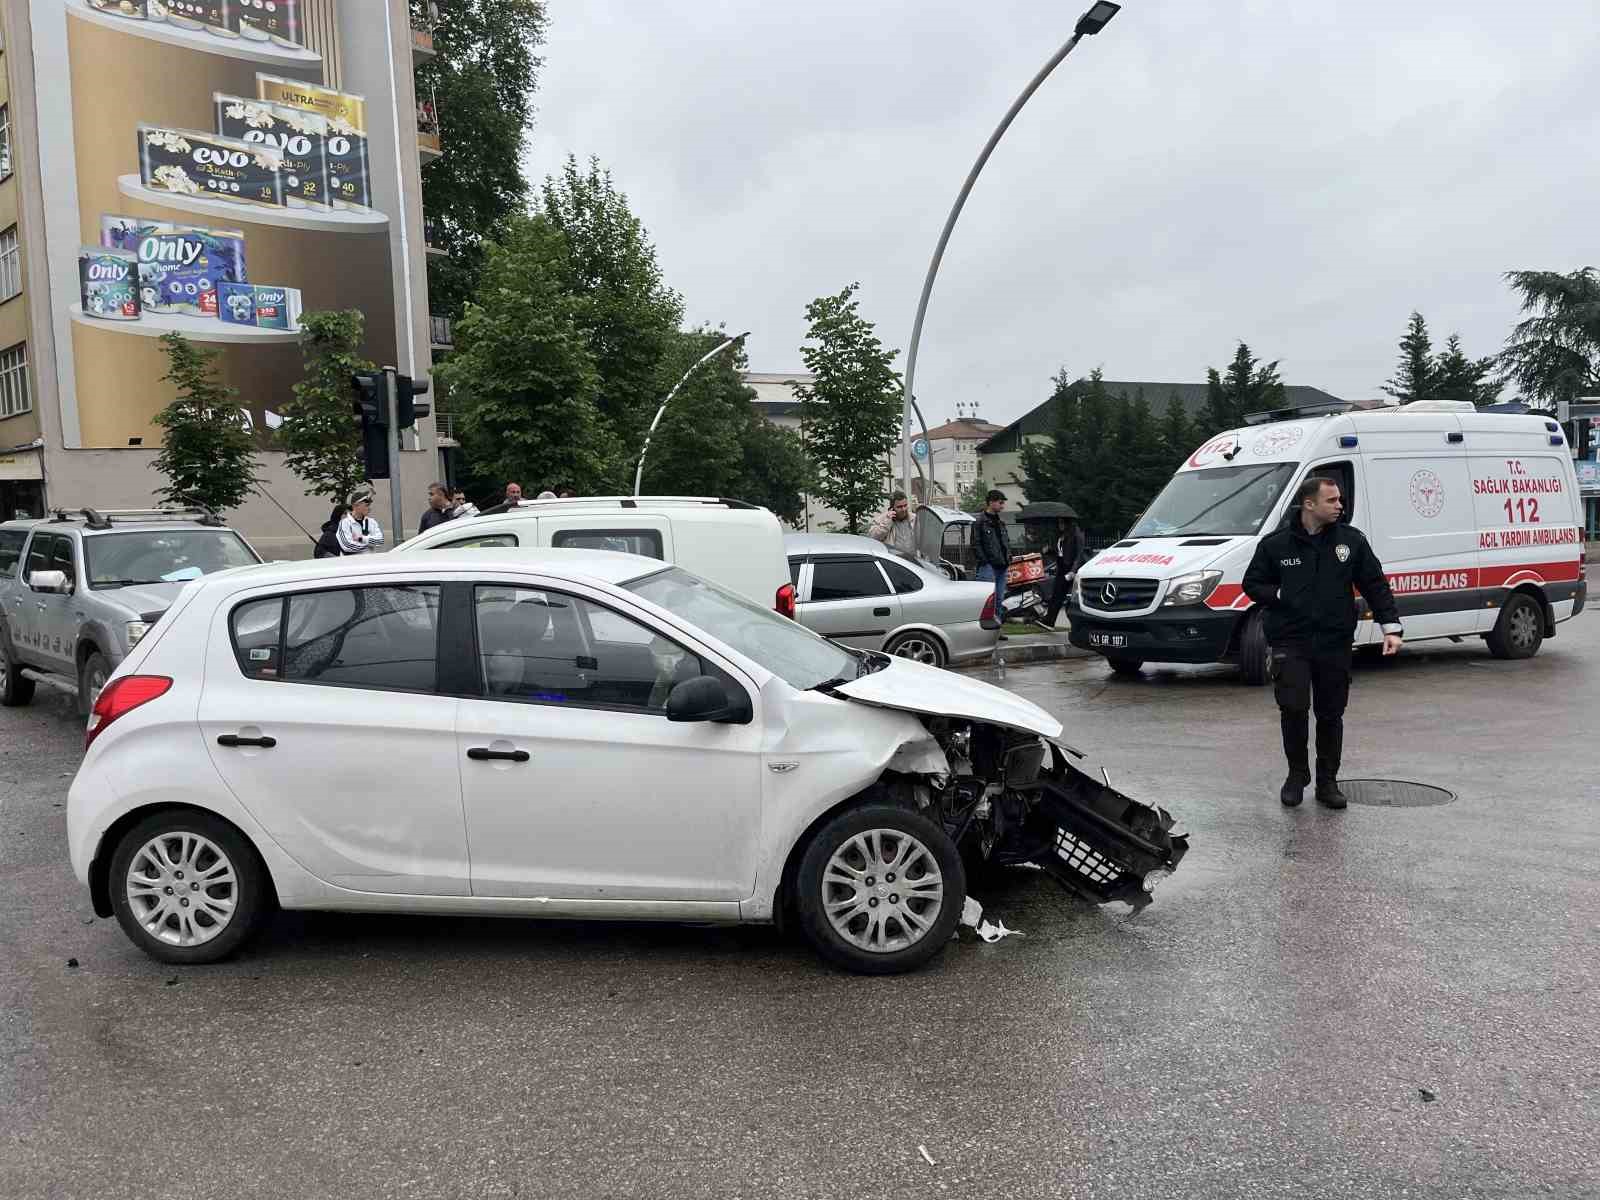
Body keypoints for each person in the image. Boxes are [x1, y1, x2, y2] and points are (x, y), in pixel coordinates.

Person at [1243, 475, 1402, 809]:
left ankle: (1328, 782)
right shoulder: (1275, 545)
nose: (1339, 505)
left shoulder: (1351, 541)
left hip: (1334, 642)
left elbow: (1375, 584)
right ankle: (1296, 775)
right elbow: (1252, 583)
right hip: (1291, 641)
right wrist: (1280, 594)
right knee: (1294, 708)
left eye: (1339, 499)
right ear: (1309, 504)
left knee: (1331, 714)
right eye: (1332, 500)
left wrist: (1390, 627)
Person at [1034, 514, 1089, 631]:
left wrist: (1073, 571)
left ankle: (1051, 621)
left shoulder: (1076, 534)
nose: (1060, 525)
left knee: (1065, 597)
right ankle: (1049, 621)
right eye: (1059, 523)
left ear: (1068, 523)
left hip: (1070, 569)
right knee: (1056, 595)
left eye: (1062, 523)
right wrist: (1048, 550)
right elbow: (1060, 553)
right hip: (1061, 568)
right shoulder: (1062, 536)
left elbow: (1079, 555)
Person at [974, 490, 1011, 640]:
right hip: (988, 566)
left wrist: (1008, 557)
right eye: (1000, 502)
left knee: (999, 599)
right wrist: (984, 561)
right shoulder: (980, 522)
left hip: (1002, 565)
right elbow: (976, 544)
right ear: (991, 502)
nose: (1002, 505)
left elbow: (1005, 542)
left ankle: (996, 630)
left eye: (1003, 502)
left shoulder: (1000, 522)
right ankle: (982, 631)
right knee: (986, 600)